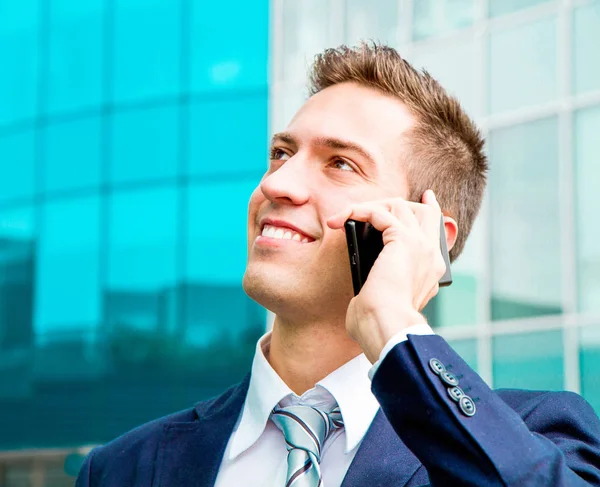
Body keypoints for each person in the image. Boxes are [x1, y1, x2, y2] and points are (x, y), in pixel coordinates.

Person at [76, 43, 600, 487]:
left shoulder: (539, 433)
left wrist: (392, 323)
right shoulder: (124, 467)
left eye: (340, 163)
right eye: (282, 153)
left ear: (425, 234)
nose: (276, 184)